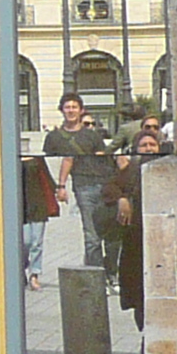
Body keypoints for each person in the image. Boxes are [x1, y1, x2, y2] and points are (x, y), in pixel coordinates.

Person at [41, 94, 117, 269]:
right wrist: (60, 187)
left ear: (81, 110)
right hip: (83, 187)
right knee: (91, 236)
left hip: (104, 185)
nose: (71, 111)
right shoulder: (53, 137)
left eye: (74, 107)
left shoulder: (92, 136)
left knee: (110, 234)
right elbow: (62, 160)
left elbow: (103, 158)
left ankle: (111, 272)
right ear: (61, 110)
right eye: (67, 107)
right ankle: (95, 273)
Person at [106, 128, 165, 325]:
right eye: (143, 145)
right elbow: (109, 187)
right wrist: (121, 198)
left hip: (162, 241)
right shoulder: (130, 170)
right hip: (136, 241)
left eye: (152, 145)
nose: (148, 149)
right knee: (139, 291)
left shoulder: (167, 169)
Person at [20, 149, 60, 291]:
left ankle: (34, 275)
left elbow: (47, 178)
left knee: (37, 242)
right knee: (25, 242)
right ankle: (21, 268)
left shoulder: (37, 159)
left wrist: (59, 190)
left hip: (38, 204)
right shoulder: (10, 158)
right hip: (20, 206)